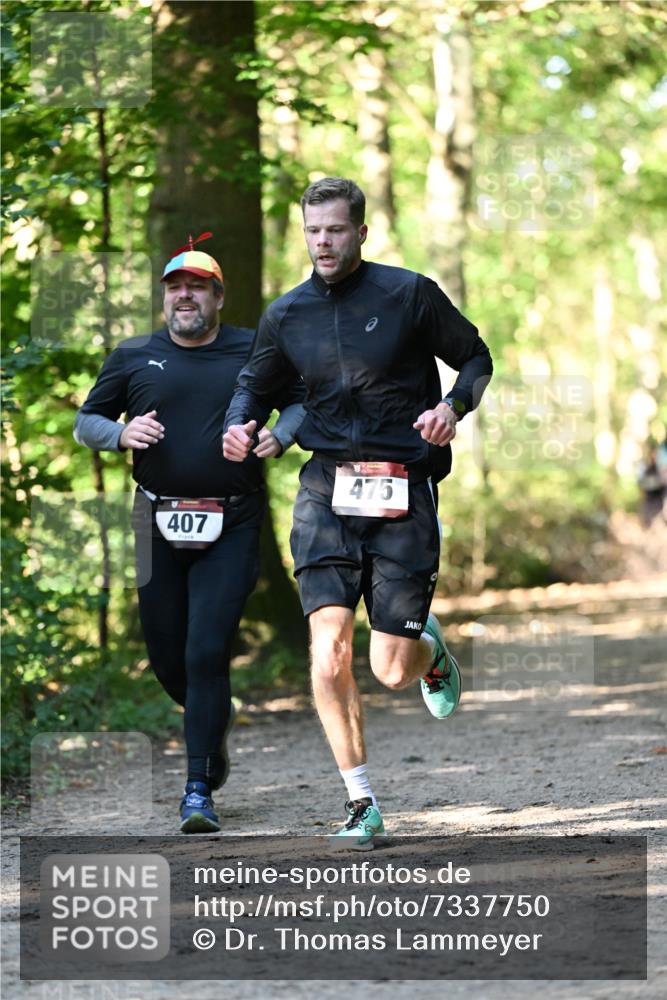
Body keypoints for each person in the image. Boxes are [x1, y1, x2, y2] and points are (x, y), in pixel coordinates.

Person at [223, 177, 493, 848]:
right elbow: (254, 388)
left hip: (400, 490)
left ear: (360, 233)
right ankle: (360, 801)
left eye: (335, 230)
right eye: (313, 230)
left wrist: (450, 407)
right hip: (325, 495)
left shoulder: (408, 294)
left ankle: (427, 650)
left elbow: (474, 358)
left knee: (390, 670)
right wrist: (241, 428)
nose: (322, 241)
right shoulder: (286, 314)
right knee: (328, 652)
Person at [74, 236, 304, 834]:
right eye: (175, 286)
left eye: (197, 286)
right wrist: (120, 435)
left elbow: (303, 403)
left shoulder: (253, 348)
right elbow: (86, 421)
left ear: (217, 297)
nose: (184, 295)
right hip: (155, 521)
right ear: (165, 297)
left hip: (232, 519)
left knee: (206, 650)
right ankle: (213, 718)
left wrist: (276, 437)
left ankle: (198, 787)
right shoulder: (133, 355)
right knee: (167, 658)